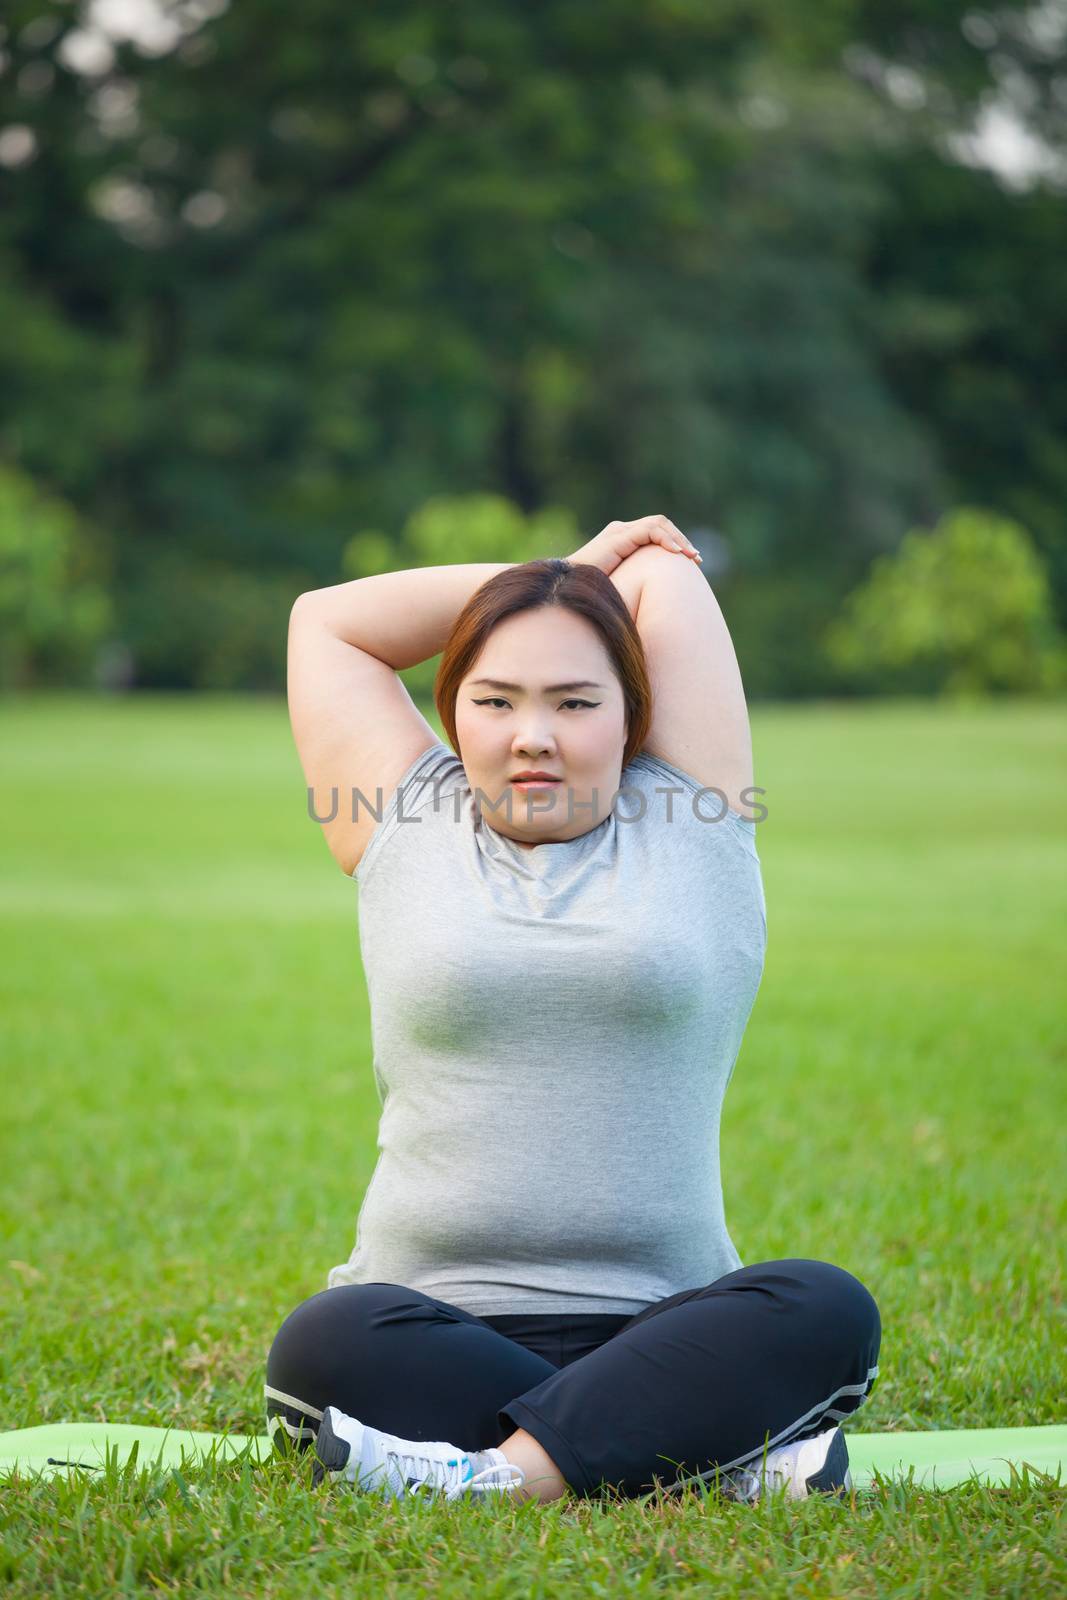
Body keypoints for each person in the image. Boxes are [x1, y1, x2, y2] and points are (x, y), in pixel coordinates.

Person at [267, 514, 881, 1506]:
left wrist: (578, 584)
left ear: (631, 713)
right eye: (494, 698)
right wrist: (552, 576)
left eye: (574, 699)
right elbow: (325, 621)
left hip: (662, 1323)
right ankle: (700, 1456)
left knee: (819, 1306)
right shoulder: (403, 813)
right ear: (452, 709)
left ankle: (490, 1476)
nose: (532, 734)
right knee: (325, 1341)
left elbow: (661, 571)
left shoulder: (697, 813)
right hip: (428, 1324)